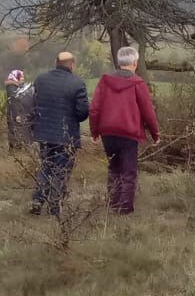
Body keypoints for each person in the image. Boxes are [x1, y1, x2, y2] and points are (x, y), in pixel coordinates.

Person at [88, 46, 159, 212]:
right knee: (129, 170)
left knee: (114, 168)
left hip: (108, 132)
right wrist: (155, 134)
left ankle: (113, 203)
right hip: (129, 132)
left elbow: (95, 108)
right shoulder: (137, 83)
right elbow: (148, 111)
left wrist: (94, 131)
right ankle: (125, 208)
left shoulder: (105, 81)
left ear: (119, 63)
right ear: (134, 63)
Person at [30, 51, 89, 216]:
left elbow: (34, 104)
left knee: (46, 165)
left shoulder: (41, 80)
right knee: (61, 170)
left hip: (43, 133)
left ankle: (37, 199)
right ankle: (54, 205)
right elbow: (83, 112)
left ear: (56, 63)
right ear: (72, 64)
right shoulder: (77, 83)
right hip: (66, 135)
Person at [4, 69, 34, 148]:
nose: (23, 79)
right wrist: (17, 115)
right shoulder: (12, 88)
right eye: (21, 77)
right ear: (16, 77)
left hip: (17, 113)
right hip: (15, 115)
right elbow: (14, 102)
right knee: (16, 134)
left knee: (17, 134)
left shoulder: (17, 87)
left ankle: (17, 152)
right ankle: (16, 153)